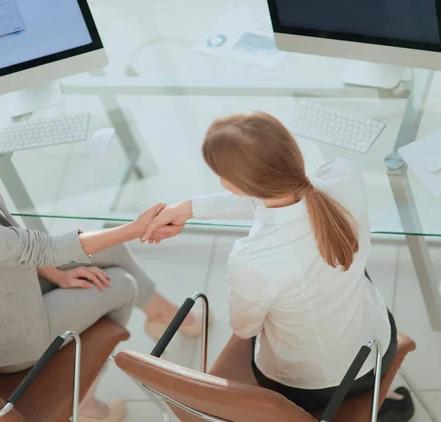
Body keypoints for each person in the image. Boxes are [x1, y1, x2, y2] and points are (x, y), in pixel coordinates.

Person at [0, 88, 201, 422]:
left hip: (9, 286)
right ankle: (86, 399)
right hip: (4, 340)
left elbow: (15, 239)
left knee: (111, 248)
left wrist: (57, 274)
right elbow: (36, 247)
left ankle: (160, 312)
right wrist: (135, 228)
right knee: (120, 285)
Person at [143, 111, 414, 422]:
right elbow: (283, 194)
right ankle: (386, 397)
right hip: (378, 346)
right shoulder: (344, 175)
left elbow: (246, 329)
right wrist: (189, 208)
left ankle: (373, 403)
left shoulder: (252, 258)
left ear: (235, 186)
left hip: (310, 387)